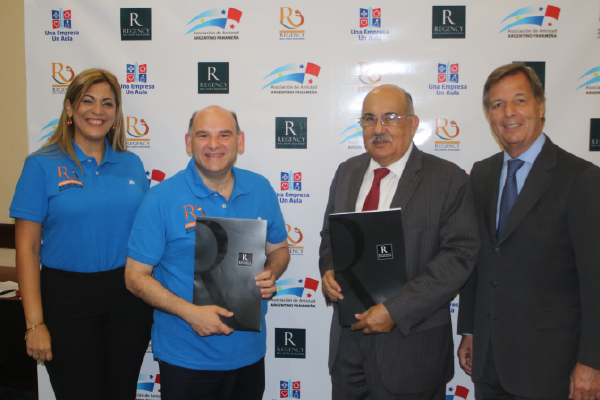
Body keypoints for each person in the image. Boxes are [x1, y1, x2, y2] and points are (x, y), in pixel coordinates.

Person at [319, 84, 480, 400]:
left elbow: (459, 256)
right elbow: (329, 237)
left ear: (413, 123)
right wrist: (329, 269)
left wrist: (395, 310)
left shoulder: (447, 178)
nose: (378, 128)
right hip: (348, 351)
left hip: (410, 353)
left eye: (390, 118)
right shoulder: (347, 172)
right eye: (369, 119)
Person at [124, 106, 290, 400]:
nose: (214, 144)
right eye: (203, 136)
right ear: (189, 143)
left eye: (224, 135)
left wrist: (271, 272)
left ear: (239, 141)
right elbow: (135, 277)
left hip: (248, 353)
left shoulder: (260, 188)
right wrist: (191, 314)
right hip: (186, 358)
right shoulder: (161, 199)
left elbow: (279, 250)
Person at [457, 63, 600, 400]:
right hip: (489, 363)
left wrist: (592, 362)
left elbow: (595, 280)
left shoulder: (580, 178)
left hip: (552, 368)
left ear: (541, 106)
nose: (509, 112)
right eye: (497, 104)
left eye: (519, 100)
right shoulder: (482, 174)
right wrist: (469, 330)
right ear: (489, 115)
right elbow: (479, 260)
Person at [10, 69, 153, 399]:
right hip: (66, 299)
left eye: (107, 103)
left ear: (116, 113)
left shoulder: (131, 164)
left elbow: (147, 235)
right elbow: (28, 249)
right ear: (69, 108)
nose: (97, 110)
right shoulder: (41, 164)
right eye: (87, 101)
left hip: (127, 298)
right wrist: (34, 324)